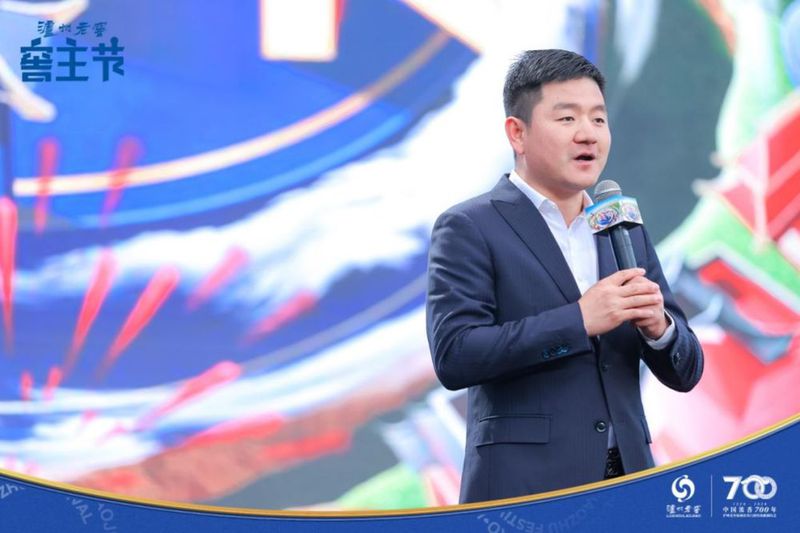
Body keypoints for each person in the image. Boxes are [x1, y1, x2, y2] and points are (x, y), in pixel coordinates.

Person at [425, 49, 704, 503]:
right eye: (567, 118)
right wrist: (579, 320)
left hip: (627, 482)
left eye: (598, 119)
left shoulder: (624, 228)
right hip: (525, 492)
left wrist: (661, 330)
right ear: (518, 133)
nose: (587, 133)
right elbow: (456, 355)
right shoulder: (470, 226)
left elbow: (686, 371)